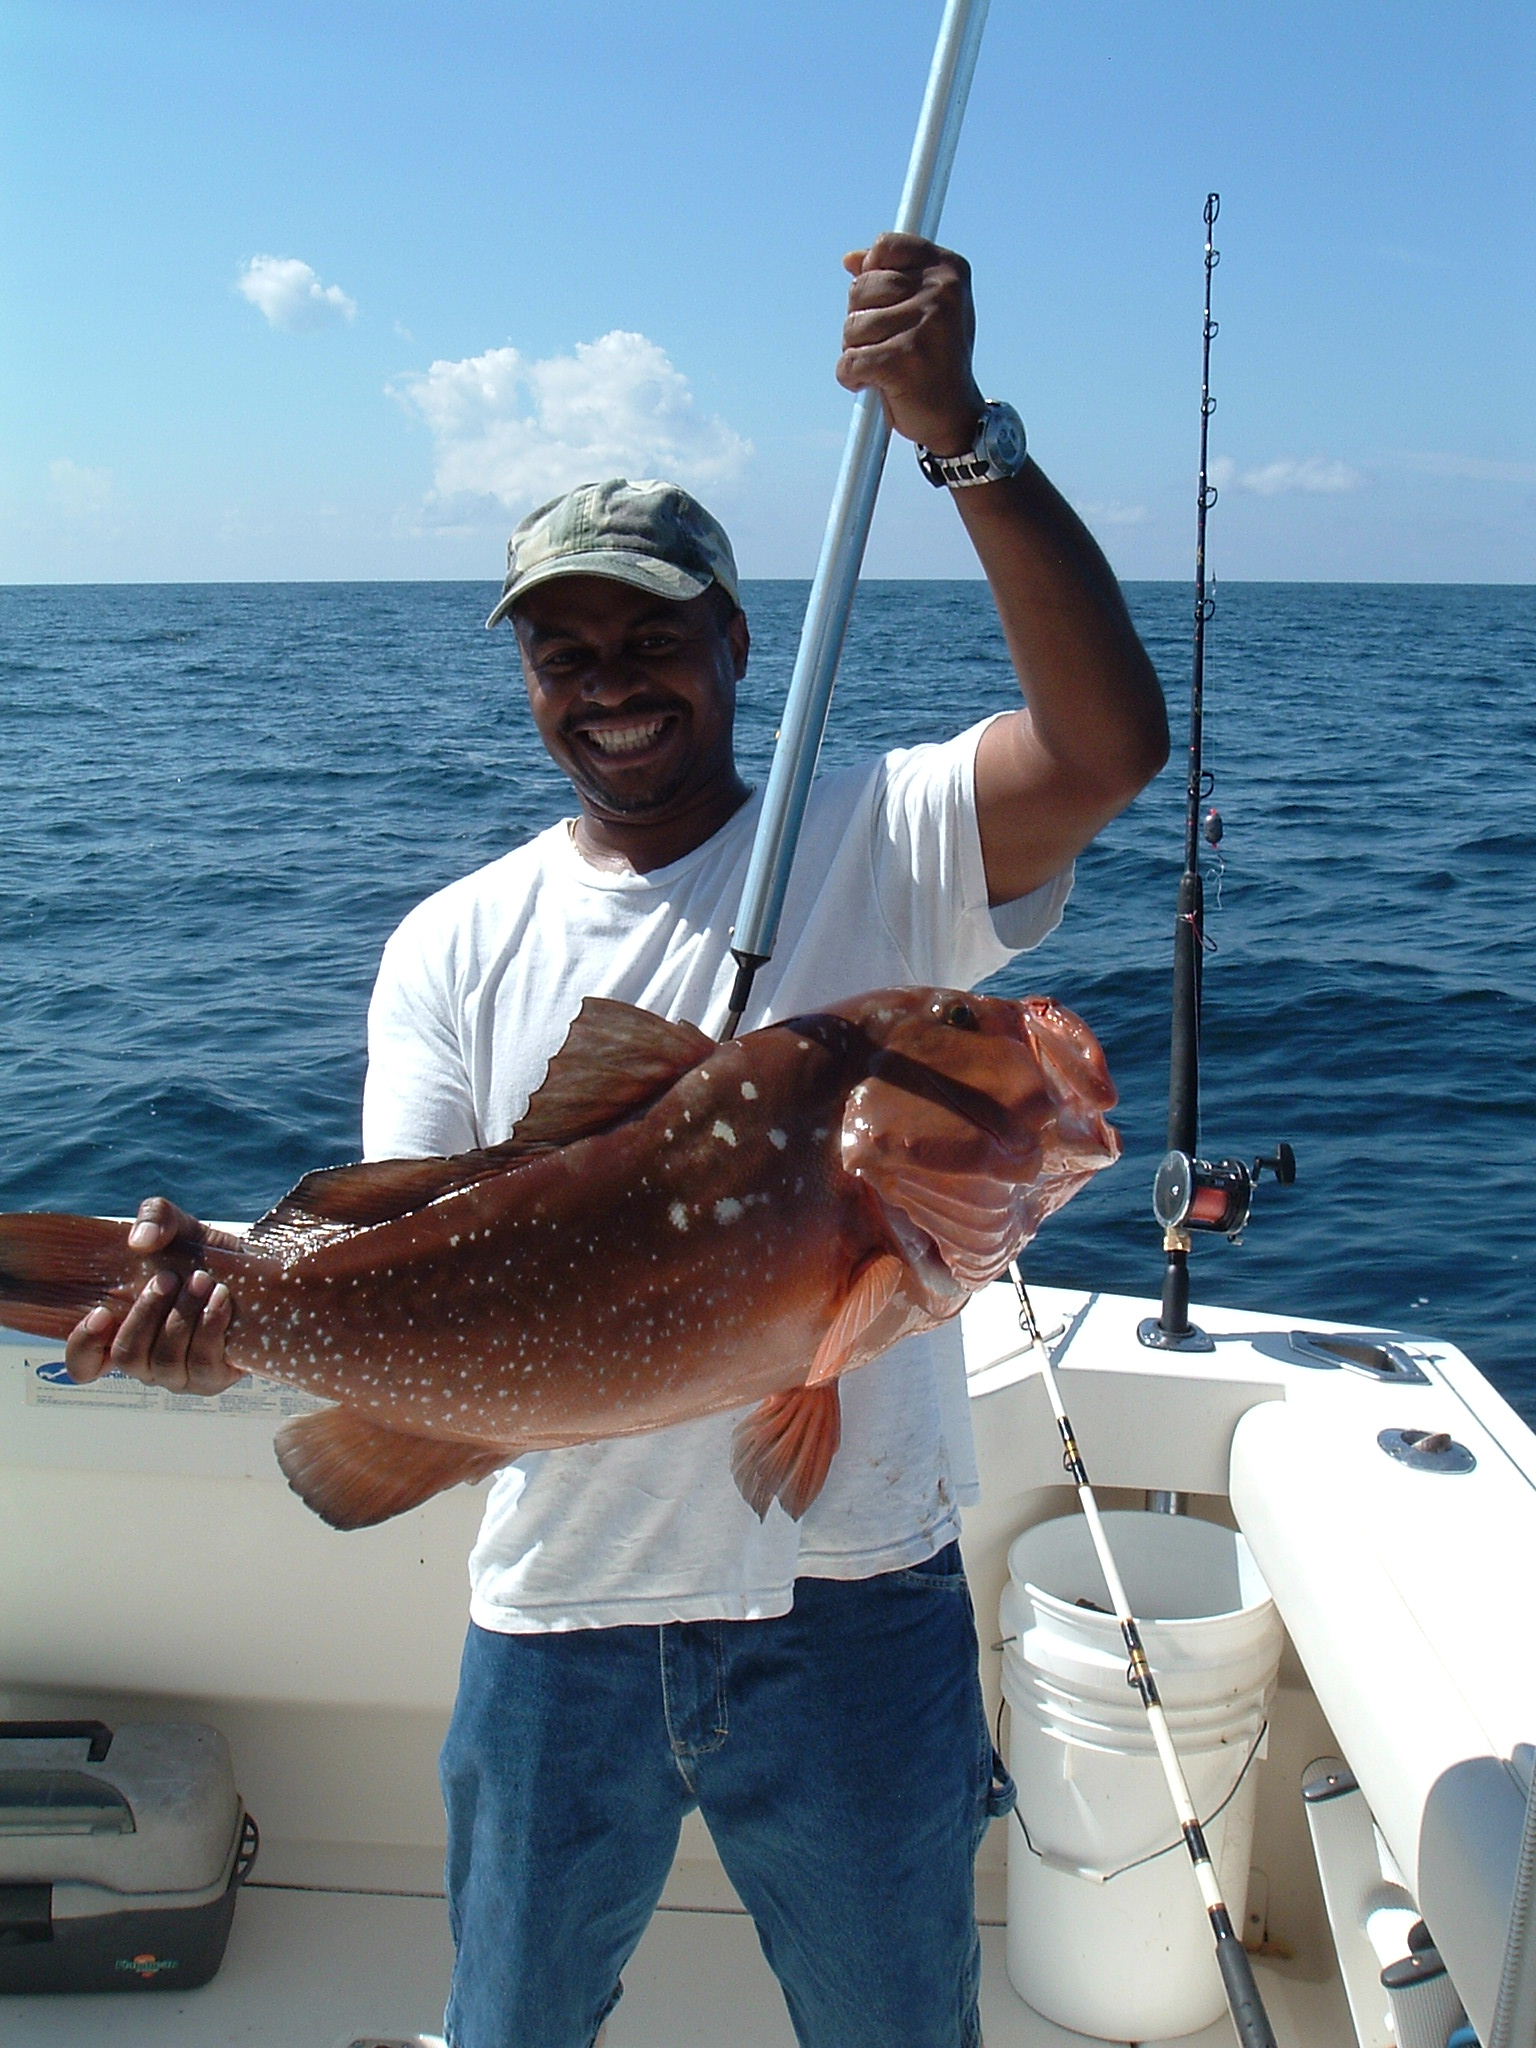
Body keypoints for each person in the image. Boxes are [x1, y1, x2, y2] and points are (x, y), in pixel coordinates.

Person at [66, 235, 1168, 2048]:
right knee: (509, 2025)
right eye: (565, 652)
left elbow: (1107, 744)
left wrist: (958, 428)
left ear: (738, 641)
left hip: (853, 1600)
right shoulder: (452, 941)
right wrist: (238, 1321)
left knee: (899, 2020)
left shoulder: (880, 840)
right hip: (556, 1617)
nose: (611, 680)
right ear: (525, 683)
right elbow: (399, 1242)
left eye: (655, 634)